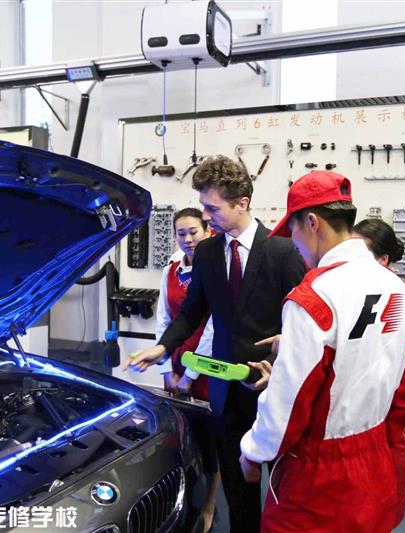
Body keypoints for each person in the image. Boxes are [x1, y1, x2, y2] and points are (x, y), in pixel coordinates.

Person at [125, 156, 307, 533]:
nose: (206, 217)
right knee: (237, 489)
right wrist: (163, 348)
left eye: (212, 208)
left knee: (282, 488)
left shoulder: (282, 250)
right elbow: (192, 312)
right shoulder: (208, 253)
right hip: (225, 388)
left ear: (242, 203)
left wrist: (283, 360)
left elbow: (303, 320)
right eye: (203, 207)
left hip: (272, 386)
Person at [238, 171, 405, 532]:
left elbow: (289, 403)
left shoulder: (314, 297)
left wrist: (253, 452)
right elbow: (403, 386)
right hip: (377, 458)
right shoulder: (398, 289)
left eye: (292, 231)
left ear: (312, 222)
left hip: (319, 473)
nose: (294, 244)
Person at [154, 207, 219, 531]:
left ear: (208, 231)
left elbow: (214, 325)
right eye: (181, 233)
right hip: (177, 362)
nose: (188, 239)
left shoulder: (218, 268)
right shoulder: (171, 269)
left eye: (194, 231)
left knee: (210, 440)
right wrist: (167, 370)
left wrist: (191, 375)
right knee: (178, 433)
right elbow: (163, 319)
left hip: (208, 365)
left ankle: (209, 505)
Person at [353, 217, 405, 526]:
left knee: (381, 512)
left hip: (389, 420)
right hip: (361, 423)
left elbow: (386, 373)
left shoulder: (396, 298)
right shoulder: (357, 293)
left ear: (383, 259)